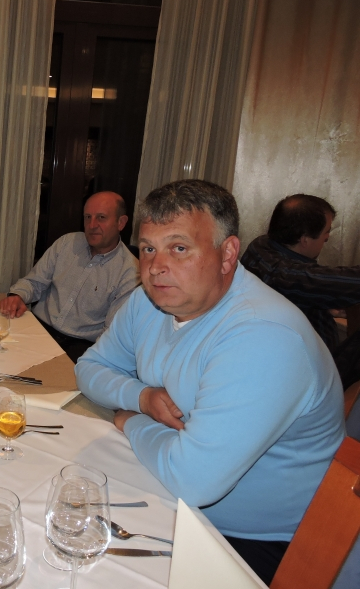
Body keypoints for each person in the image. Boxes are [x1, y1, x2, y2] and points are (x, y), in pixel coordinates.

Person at [75, 180, 345, 584]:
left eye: (179, 248)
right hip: (171, 496)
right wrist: (141, 397)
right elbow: (90, 368)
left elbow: (193, 480)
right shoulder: (149, 301)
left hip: (257, 542)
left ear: (227, 254)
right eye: (148, 248)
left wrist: (131, 419)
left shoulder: (264, 336)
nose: (156, 266)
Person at [0, 191, 139, 362]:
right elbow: (34, 282)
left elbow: (111, 334)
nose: (92, 225)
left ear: (121, 222)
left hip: (79, 346)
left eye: (101, 217)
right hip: (39, 328)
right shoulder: (67, 243)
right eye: (88, 217)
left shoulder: (130, 272)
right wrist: (17, 295)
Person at [241, 194, 360, 388]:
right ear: (304, 240)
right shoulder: (287, 275)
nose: (327, 238)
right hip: (306, 375)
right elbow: (334, 281)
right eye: (326, 233)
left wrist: (326, 305)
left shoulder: (261, 245)